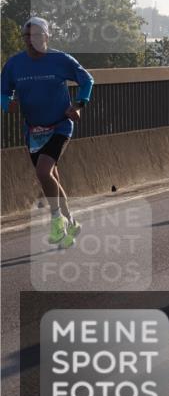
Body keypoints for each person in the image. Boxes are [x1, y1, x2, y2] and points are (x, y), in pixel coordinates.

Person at [1, 17, 94, 249]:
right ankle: (71, 222)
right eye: (27, 37)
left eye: (36, 37)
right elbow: (3, 93)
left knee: (43, 172)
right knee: (50, 178)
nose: (31, 42)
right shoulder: (14, 64)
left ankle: (56, 221)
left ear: (46, 38)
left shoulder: (60, 60)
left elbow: (87, 81)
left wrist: (79, 105)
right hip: (34, 130)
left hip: (60, 125)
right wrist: (6, 105)